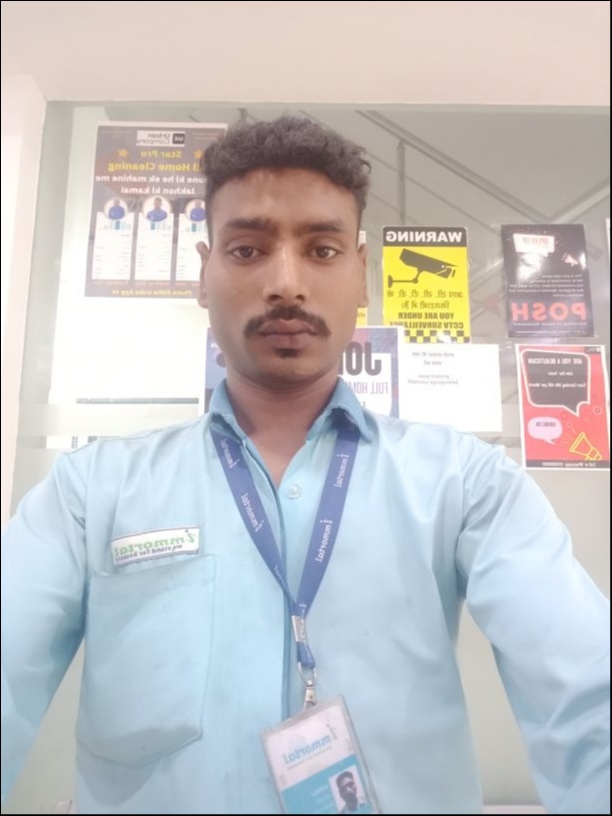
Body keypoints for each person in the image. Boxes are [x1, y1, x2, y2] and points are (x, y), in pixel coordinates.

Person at [0, 117, 609, 815]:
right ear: (203, 273)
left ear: (361, 275)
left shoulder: (464, 483)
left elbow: (587, 690)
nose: (286, 284)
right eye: (247, 249)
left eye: (322, 250)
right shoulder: (90, 492)